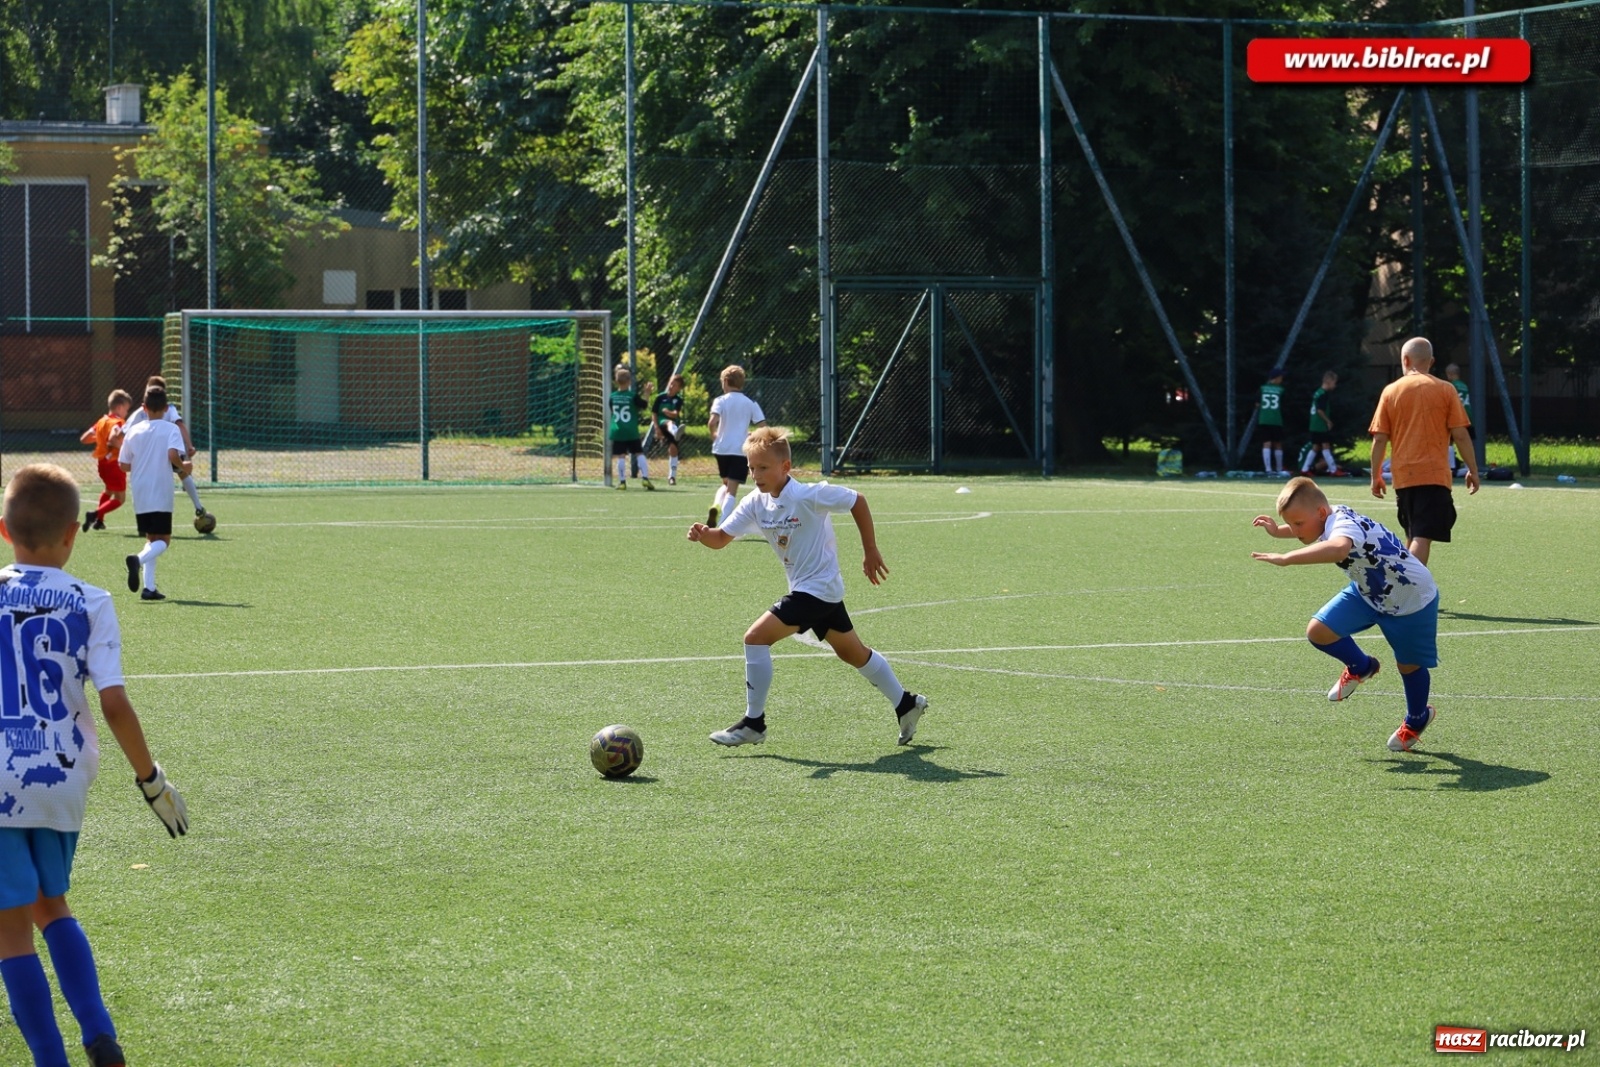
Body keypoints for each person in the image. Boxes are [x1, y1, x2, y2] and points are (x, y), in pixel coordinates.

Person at [0, 463, 188, 1067]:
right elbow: (113, 702)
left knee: (10, 931)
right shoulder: (93, 600)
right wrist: (150, 779)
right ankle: (100, 1034)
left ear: (4, 531)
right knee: (52, 903)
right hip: (61, 778)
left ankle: (51, 1061)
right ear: (72, 535)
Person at [687, 427, 928, 747]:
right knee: (853, 653)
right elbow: (721, 539)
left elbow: (857, 500)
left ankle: (753, 723)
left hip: (817, 590)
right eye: (750, 467)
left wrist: (870, 549)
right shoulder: (755, 503)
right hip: (818, 591)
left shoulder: (807, 495)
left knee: (755, 638)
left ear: (785, 467)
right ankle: (906, 704)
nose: (755, 474)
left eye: (763, 467)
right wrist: (705, 535)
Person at [1251, 476, 1441, 753]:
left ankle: (1416, 719)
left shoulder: (1342, 524)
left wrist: (1286, 557)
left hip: (1411, 600)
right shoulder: (1326, 515)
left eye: (1298, 524)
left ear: (1321, 513)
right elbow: (1311, 530)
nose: (1296, 530)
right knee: (1318, 631)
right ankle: (1362, 667)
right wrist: (1279, 532)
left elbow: (1339, 547)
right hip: (1368, 592)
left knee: (1408, 666)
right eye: (1292, 524)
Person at [1368, 337, 1480, 566]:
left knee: (1413, 533)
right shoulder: (1446, 390)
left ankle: (1401, 587)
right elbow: (1460, 435)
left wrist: (1376, 475)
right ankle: (1408, 590)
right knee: (1422, 535)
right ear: (1432, 361)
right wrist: (1473, 469)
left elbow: (1379, 439)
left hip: (1403, 477)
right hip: (1433, 475)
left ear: (1405, 360)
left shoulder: (1390, 391)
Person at [118, 386, 190, 601]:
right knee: (164, 540)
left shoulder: (134, 430)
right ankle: (137, 560)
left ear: (144, 407)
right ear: (166, 408)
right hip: (160, 487)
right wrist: (183, 466)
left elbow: (123, 464)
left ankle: (149, 588)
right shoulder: (170, 429)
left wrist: (143, 464)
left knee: (152, 537)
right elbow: (172, 455)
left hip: (139, 488)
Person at [121, 375, 209, 523]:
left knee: (149, 479)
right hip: (167, 450)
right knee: (182, 472)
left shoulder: (141, 411)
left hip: (147, 453)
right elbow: (180, 425)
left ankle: (148, 518)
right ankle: (198, 506)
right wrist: (189, 445)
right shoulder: (170, 409)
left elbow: (124, 432)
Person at [706, 364, 766, 526]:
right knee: (732, 489)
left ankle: (716, 506)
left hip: (721, 449)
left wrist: (714, 434)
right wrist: (752, 436)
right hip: (740, 450)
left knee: (725, 484)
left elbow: (712, 422)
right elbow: (763, 427)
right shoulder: (750, 403)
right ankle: (724, 523)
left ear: (725, 381)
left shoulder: (720, 400)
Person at [78, 389, 133, 532]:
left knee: (108, 491)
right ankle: (94, 515)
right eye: (126, 410)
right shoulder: (118, 422)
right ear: (120, 407)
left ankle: (99, 522)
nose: (126, 413)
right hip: (114, 463)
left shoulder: (101, 422)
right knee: (120, 498)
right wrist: (127, 451)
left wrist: (101, 439)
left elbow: (84, 439)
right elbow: (114, 438)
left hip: (102, 463)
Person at [608, 365, 653, 490]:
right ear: (629, 382)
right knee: (639, 453)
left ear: (616, 381)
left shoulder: (612, 396)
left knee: (621, 456)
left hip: (617, 431)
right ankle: (645, 478)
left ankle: (622, 482)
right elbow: (643, 405)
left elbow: (612, 409)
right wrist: (647, 393)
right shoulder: (632, 396)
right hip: (631, 431)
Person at [1300, 370, 1340, 475]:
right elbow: (1320, 410)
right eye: (1334, 382)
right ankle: (1333, 470)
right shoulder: (1323, 394)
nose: (1335, 385)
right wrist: (1328, 421)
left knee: (1316, 447)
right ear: (1329, 381)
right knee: (1325, 446)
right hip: (1320, 424)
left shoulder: (1317, 392)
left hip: (1314, 424)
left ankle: (1304, 470)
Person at [652, 373, 688, 486]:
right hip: (662, 425)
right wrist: (656, 428)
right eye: (671, 383)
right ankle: (675, 431)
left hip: (672, 424)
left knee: (673, 449)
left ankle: (672, 476)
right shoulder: (660, 397)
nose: (671, 386)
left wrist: (668, 412)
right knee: (669, 422)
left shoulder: (678, 400)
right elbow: (654, 414)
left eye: (675, 385)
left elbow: (675, 414)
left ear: (679, 388)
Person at [1255, 368, 1287, 475]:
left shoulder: (1262, 388)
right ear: (1277, 378)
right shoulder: (1281, 390)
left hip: (1264, 419)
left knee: (1266, 444)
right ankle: (1279, 469)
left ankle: (1268, 469)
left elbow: (1257, 404)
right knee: (1278, 444)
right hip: (1276, 420)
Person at [1444, 362, 1473, 476]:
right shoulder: (1464, 385)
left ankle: (1451, 468)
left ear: (1449, 374)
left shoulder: (1451, 386)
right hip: (1468, 417)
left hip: (1457, 417)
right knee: (1466, 442)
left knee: (1449, 442)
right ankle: (1468, 467)